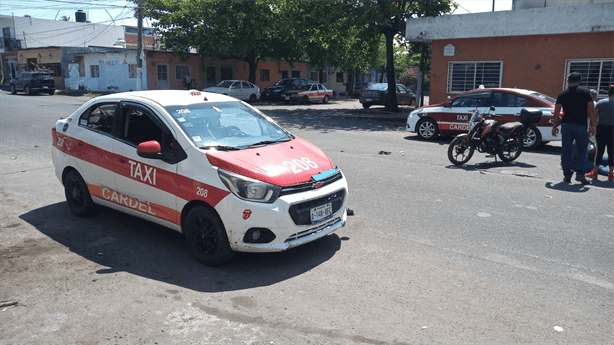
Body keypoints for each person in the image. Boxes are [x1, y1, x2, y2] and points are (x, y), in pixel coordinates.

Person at [551, 72, 597, 185]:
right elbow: (591, 110)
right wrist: (593, 125)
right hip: (581, 126)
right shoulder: (585, 92)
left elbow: (557, 111)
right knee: (582, 151)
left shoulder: (562, 94)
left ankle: (567, 176)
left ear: (568, 81)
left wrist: (554, 126)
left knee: (566, 152)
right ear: (580, 81)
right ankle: (580, 175)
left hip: (566, 126)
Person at [585, 84, 614, 181]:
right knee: (611, 152)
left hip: (601, 129)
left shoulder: (601, 102)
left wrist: (592, 127)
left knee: (599, 151)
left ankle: (595, 172)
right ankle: (611, 173)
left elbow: (594, 117)